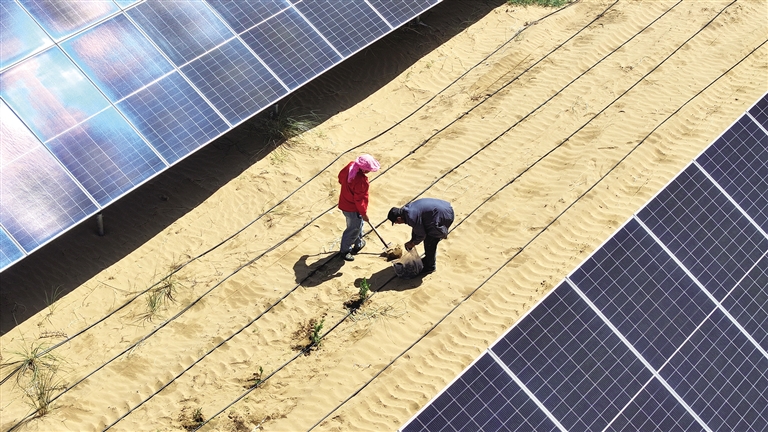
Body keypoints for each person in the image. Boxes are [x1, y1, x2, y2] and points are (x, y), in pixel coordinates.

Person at [387, 198, 454, 274]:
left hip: (444, 216)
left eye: (396, 222)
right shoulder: (408, 210)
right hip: (445, 209)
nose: (397, 224)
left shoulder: (411, 217)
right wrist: (412, 240)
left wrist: (412, 243)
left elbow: (421, 235)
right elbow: (417, 227)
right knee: (428, 236)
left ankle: (430, 267)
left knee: (430, 241)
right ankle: (428, 259)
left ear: (399, 218)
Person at [338, 154, 380, 261]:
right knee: (353, 229)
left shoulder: (350, 166)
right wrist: (364, 213)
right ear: (364, 169)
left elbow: (340, 178)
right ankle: (345, 250)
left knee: (358, 225)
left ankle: (358, 243)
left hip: (344, 202)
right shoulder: (361, 181)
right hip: (352, 208)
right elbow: (360, 200)